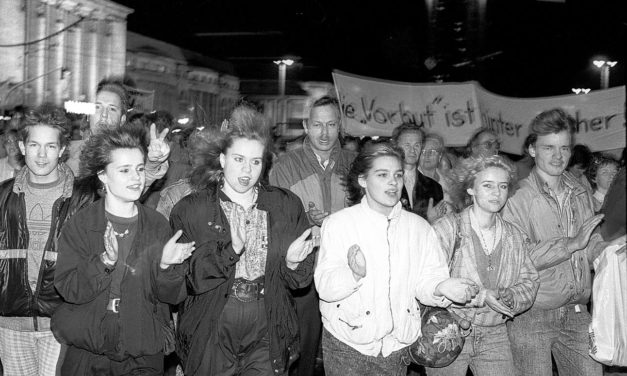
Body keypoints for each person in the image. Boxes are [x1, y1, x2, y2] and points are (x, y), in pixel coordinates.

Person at [166, 105, 319, 376]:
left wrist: (293, 263)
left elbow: (300, 282)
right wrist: (229, 251)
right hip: (212, 325)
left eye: (256, 161)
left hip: (267, 323)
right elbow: (184, 280)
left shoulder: (285, 205)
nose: (247, 170)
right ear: (223, 160)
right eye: (238, 159)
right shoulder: (192, 209)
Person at [315, 142, 480, 376]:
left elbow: (426, 282)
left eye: (398, 175)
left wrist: (442, 287)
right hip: (347, 344)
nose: (393, 182)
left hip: (396, 345)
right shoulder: (339, 224)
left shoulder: (419, 228)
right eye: (382, 175)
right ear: (363, 180)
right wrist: (353, 274)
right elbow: (325, 288)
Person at [52, 127, 195, 375]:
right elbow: (68, 288)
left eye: (140, 169)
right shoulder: (82, 224)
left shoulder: (157, 224)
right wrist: (104, 262)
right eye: (125, 170)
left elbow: (173, 296)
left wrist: (164, 266)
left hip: (141, 348)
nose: (136, 178)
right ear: (103, 176)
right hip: (90, 346)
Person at [502, 108, 626, 376]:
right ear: (532, 149)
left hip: (578, 310)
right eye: (549, 148)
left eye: (565, 148)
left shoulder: (579, 191)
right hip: (531, 313)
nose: (558, 156)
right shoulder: (516, 197)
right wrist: (570, 244)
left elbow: (589, 242)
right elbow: (518, 258)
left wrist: (612, 248)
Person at [425, 155, 539, 376]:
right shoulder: (447, 229)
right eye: (488, 185)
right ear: (470, 189)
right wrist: (481, 295)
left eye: (502, 186)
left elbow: (530, 282)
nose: (496, 193)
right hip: (448, 329)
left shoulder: (514, 235)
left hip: (495, 333)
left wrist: (508, 296)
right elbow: (429, 283)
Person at [269, 96, 356, 376]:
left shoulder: (356, 166)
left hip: (348, 272)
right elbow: (276, 221)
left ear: (340, 126)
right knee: (301, 352)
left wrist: (332, 223)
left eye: (331, 124)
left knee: (345, 350)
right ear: (306, 126)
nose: (324, 132)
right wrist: (307, 224)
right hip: (303, 276)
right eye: (317, 124)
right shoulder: (285, 166)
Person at [0, 105, 79, 375]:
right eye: (34, 145)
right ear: (22, 147)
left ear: (63, 149)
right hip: (10, 324)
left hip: (60, 324)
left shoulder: (82, 198)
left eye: (50, 146)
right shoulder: (3, 197)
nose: (42, 155)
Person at [65, 77, 170, 187]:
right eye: (97, 107)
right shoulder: (65, 153)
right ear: (88, 115)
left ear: (122, 120)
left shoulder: (131, 156)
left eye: (112, 109)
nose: (104, 115)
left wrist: (152, 163)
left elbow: (138, 186)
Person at [391, 123, 452, 222]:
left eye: (417, 145)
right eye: (407, 145)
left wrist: (431, 220)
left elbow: (440, 225)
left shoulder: (434, 187)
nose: (412, 150)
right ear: (395, 146)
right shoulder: (386, 182)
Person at [418, 133, 456, 216]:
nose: (427, 155)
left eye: (432, 151)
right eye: (423, 151)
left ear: (440, 156)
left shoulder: (447, 179)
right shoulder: (413, 179)